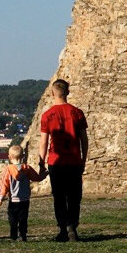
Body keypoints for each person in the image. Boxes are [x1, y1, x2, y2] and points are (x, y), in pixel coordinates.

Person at [39, 79, 88, 242]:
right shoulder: (77, 113)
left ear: (52, 93)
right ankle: (72, 227)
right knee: (74, 196)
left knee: (59, 197)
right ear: (67, 92)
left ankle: (62, 229)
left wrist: (41, 163)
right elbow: (84, 140)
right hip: (74, 161)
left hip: (56, 162)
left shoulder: (47, 115)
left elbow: (44, 142)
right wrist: (83, 160)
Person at [0, 142, 45, 241]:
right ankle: (23, 234)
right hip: (25, 199)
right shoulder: (27, 168)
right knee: (23, 218)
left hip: (13, 199)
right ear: (23, 156)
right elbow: (36, 178)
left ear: (9, 157)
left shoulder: (8, 169)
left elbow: (4, 184)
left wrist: (1, 197)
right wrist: (44, 174)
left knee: (12, 219)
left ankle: (13, 235)